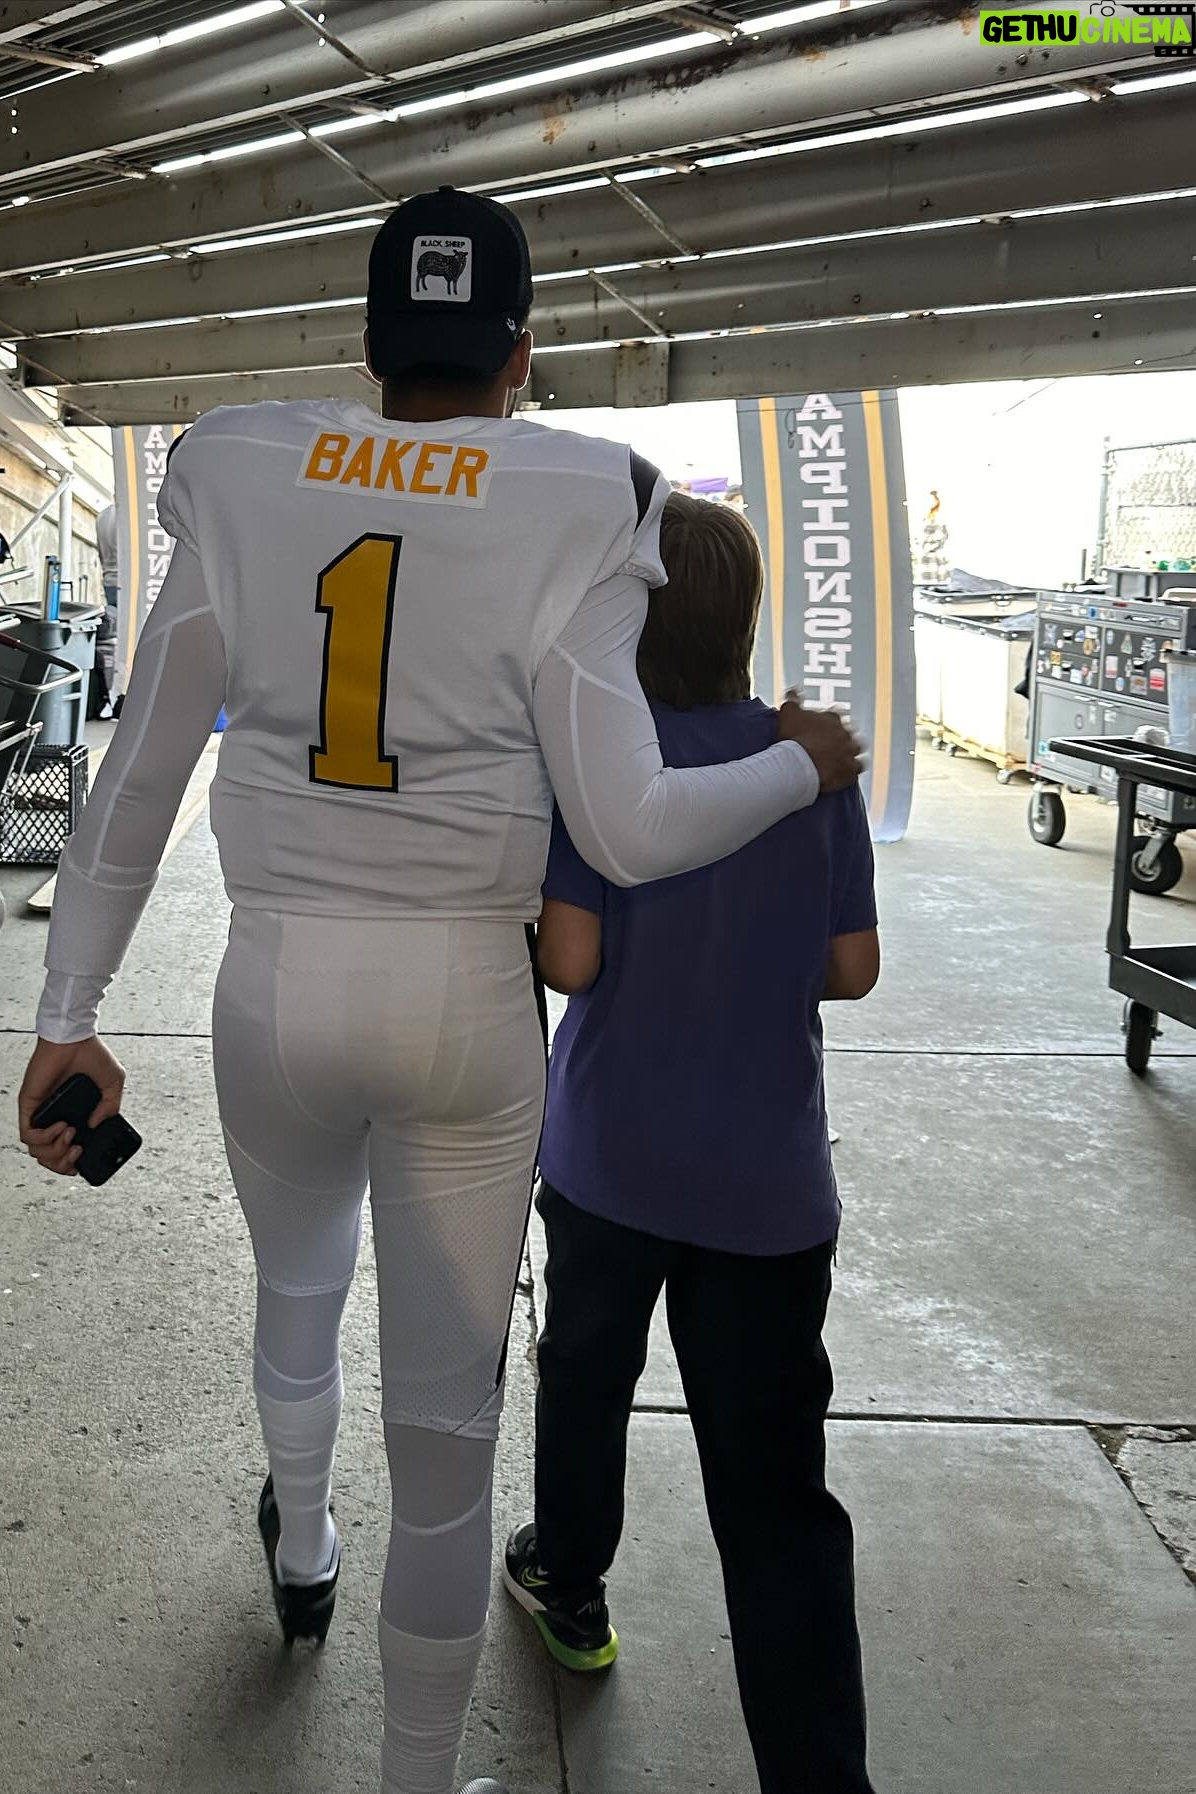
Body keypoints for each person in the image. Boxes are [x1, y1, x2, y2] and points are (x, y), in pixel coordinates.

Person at [16, 188, 861, 1794]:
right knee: (448, 1437)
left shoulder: (246, 463)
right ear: (520, 358)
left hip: (275, 976)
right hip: (466, 998)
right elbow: (630, 824)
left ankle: (303, 1546)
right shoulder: (584, 494)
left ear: (368, 346)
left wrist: (69, 1010)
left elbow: (139, 771)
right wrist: (792, 766)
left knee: (295, 1291)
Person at [505, 492, 881, 1794]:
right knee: (777, 1493)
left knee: (585, 1375)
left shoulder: (604, 762)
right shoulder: (807, 761)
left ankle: (570, 1582)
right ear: (745, 620)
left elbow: (571, 958)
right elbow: (852, 967)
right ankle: (818, 1773)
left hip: (610, 1160)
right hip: (768, 1184)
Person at [92, 501, 119, 719]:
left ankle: (108, 696)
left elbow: (101, 554)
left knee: (113, 638)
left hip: (110, 579)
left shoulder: (104, 515)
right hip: (130, 584)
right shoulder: (133, 515)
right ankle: (116, 695)